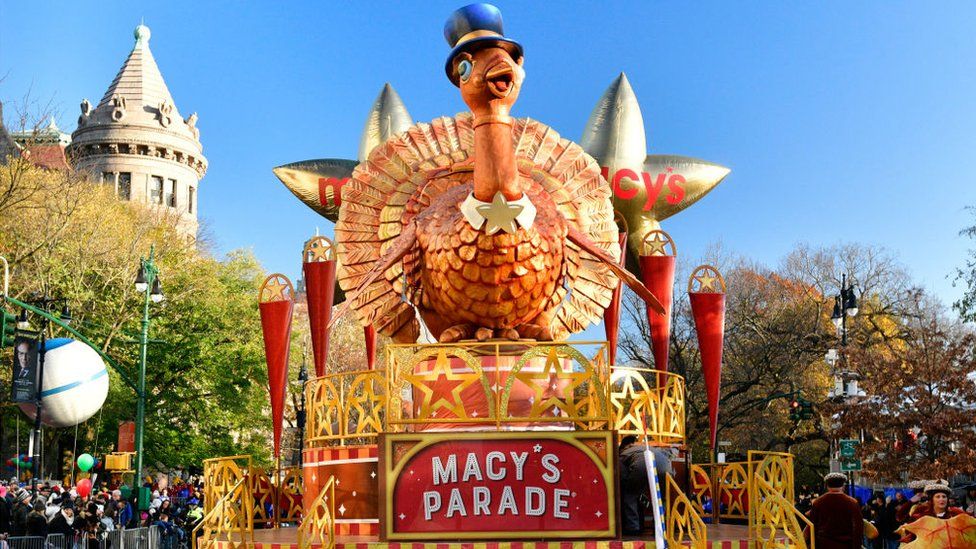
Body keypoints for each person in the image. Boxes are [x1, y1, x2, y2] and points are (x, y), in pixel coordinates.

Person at [618, 435, 674, 536]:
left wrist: (630, 485)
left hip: (641, 465)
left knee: (630, 494)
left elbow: (623, 475)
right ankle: (660, 526)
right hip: (666, 466)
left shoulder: (623, 453)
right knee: (661, 498)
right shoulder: (648, 447)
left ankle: (633, 527)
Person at [803, 472, 863, 549]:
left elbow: (812, 526)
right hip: (845, 546)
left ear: (827, 486)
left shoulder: (818, 502)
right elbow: (858, 529)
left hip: (823, 545)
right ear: (843, 486)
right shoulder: (852, 503)